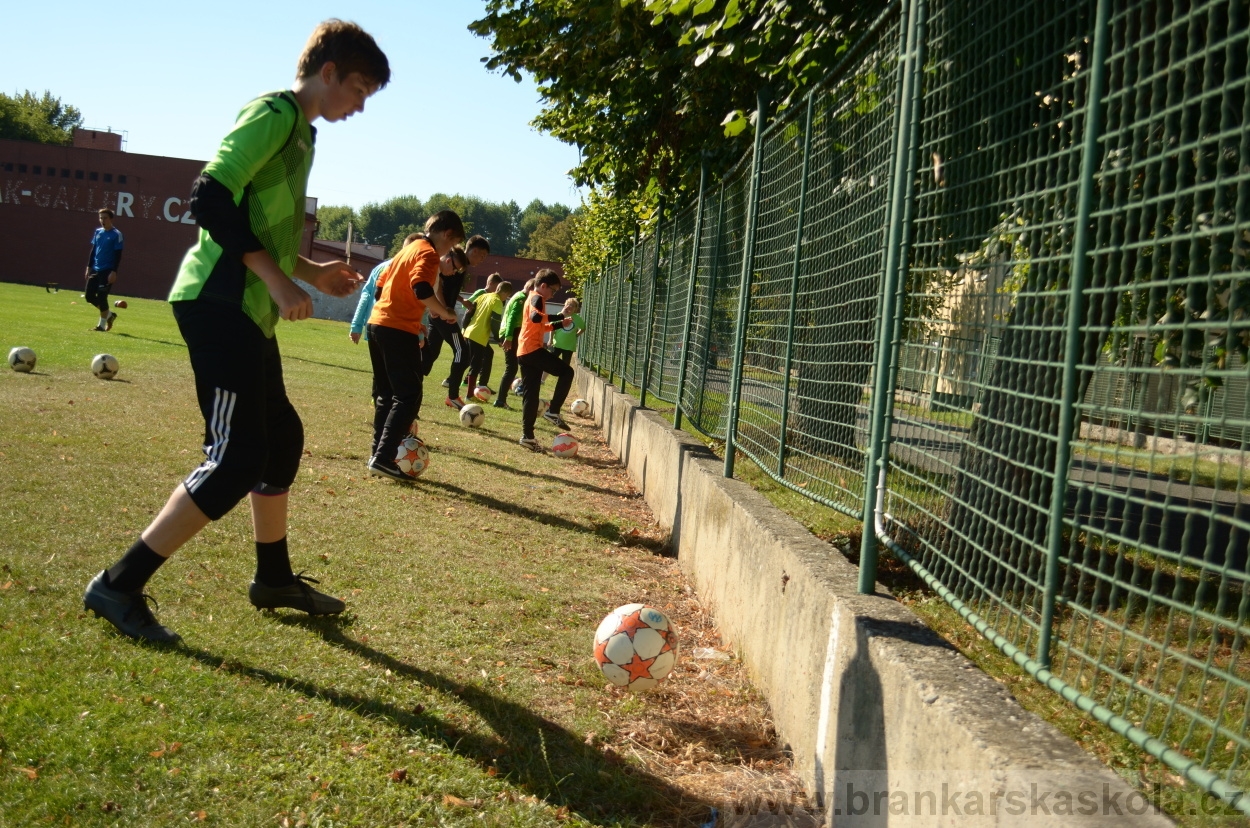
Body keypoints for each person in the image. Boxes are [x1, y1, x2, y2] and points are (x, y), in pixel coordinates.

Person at [82, 19, 390, 644]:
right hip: (218, 300)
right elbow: (209, 198)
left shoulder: (301, 136)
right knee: (235, 455)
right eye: (359, 88)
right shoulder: (275, 112)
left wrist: (308, 272)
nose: (360, 105)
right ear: (328, 71)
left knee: (280, 437)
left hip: (248, 307)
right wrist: (279, 283)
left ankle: (272, 579)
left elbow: (261, 226)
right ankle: (118, 583)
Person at [366, 210, 464, 480]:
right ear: (446, 235)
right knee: (409, 396)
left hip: (377, 324)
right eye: (452, 245)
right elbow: (421, 288)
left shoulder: (405, 251)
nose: (448, 251)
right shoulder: (428, 253)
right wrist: (443, 312)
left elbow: (379, 289)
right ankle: (384, 457)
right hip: (397, 329)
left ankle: (377, 454)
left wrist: (409, 311)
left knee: (387, 394)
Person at [517, 270, 574, 450]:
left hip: (524, 352)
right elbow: (536, 318)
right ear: (543, 286)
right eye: (553, 290)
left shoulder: (533, 299)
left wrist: (559, 323)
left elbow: (540, 326)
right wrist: (559, 316)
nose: (553, 294)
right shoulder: (537, 298)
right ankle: (553, 410)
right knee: (567, 371)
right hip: (532, 350)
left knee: (531, 394)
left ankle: (528, 436)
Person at [433, 236, 491, 402]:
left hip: (442, 314)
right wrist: (444, 310)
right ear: (474, 251)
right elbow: (439, 286)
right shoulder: (454, 263)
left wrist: (461, 300)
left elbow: (449, 289)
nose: (482, 260)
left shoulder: (462, 267)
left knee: (430, 355)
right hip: (442, 316)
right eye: (482, 256)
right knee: (463, 352)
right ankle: (452, 395)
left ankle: (401, 387)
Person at [348, 232, 423, 344]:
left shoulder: (379, 268)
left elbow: (366, 297)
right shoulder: (410, 271)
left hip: (374, 325)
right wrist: (420, 335)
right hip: (398, 329)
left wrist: (356, 326)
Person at [462, 280, 513, 397]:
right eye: (507, 296)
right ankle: (470, 394)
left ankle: (479, 385)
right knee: (476, 364)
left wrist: (464, 328)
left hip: (470, 331)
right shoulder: (498, 302)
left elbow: (469, 312)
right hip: (478, 336)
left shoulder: (483, 296)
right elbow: (495, 323)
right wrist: (500, 339)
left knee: (482, 356)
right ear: (506, 293)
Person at [493, 278, 533, 409]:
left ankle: (503, 398)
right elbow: (511, 318)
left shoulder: (518, 295)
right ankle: (500, 400)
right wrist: (508, 337)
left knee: (515, 366)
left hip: (513, 333)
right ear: (531, 289)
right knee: (511, 368)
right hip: (512, 333)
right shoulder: (521, 298)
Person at [85, 208, 123, 331]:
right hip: (96, 269)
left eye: (105, 218)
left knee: (102, 296)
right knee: (89, 296)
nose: (102, 220)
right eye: (101, 218)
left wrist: (114, 271)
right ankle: (110, 315)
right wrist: (88, 267)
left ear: (111, 219)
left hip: (107, 270)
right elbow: (93, 250)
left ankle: (101, 325)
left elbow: (118, 254)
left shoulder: (116, 234)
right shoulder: (98, 232)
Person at [549, 296, 585, 368]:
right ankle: (542, 379)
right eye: (568, 304)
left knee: (565, 366)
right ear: (565, 305)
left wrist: (577, 335)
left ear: (576, 308)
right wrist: (550, 340)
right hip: (557, 344)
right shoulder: (560, 315)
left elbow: (583, 328)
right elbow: (552, 328)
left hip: (569, 347)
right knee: (550, 362)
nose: (570, 306)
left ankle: (562, 378)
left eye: (572, 305)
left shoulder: (578, 318)